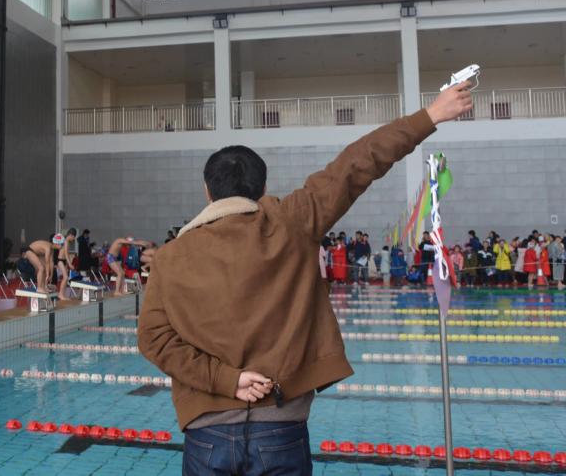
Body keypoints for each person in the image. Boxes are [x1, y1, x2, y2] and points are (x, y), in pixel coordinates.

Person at [137, 84, 472, 475]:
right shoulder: (292, 220)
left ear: (207, 192)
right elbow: (356, 164)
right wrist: (431, 115)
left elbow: (153, 338)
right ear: (262, 188)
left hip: (206, 431)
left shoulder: (171, 256)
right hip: (281, 425)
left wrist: (225, 380)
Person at [56, 229, 79, 301]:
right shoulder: (65, 241)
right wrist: (70, 264)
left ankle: (62, 294)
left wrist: (67, 263)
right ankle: (60, 294)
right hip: (60, 261)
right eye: (74, 237)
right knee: (65, 277)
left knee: (65, 278)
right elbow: (66, 253)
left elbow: (67, 254)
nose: (74, 239)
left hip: (63, 261)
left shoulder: (67, 242)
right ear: (71, 235)